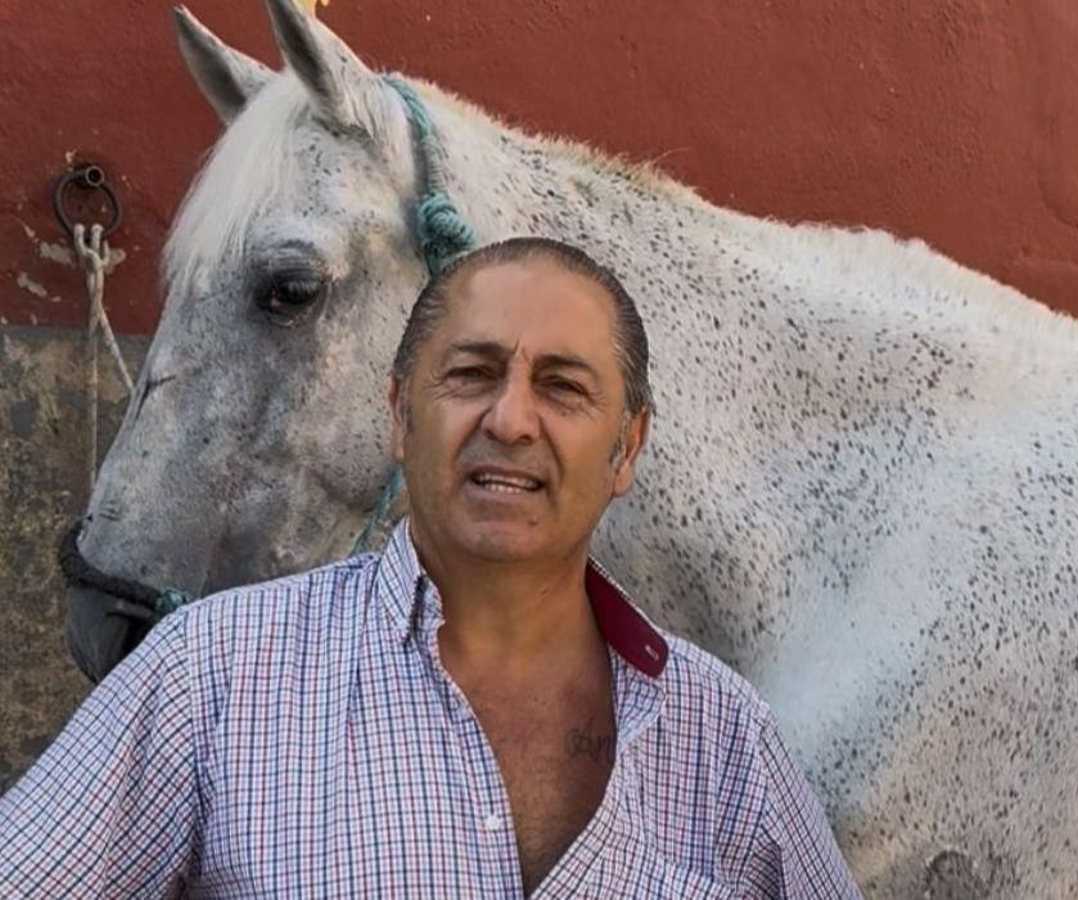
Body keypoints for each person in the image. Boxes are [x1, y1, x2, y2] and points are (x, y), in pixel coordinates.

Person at [1, 237, 862, 898]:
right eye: (473, 373)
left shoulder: (723, 734)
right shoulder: (214, 674)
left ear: (627, 447)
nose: (512, 420)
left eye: (563, 387)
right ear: (399, 414)